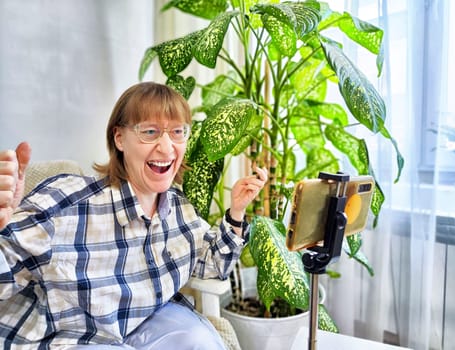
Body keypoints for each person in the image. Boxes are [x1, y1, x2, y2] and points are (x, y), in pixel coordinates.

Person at [0, 82, 267, 349]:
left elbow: (210, 264)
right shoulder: (66, 202)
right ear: (119, 138)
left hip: (140, 325)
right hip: (69, 338)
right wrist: (3, 224)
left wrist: (236, 212)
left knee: (201, 341)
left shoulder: (179, 208)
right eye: (149, 132)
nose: (166, 147)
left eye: (177, 132)